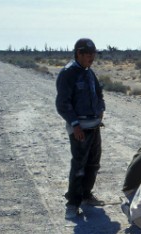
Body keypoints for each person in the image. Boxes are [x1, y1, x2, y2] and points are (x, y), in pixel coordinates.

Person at [56, 38, 106, 219]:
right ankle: (72, 203)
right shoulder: (68, 73)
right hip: (80, 129)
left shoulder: (89, 72)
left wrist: (101, 109)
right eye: (89, 54)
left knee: (93, 163)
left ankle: (86, 194)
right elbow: (62, 103)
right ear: (79, 53)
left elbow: (99, 93)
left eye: (94, 54)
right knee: (79, 166)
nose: (92, 57)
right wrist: (75, 124)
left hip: (94, 126)